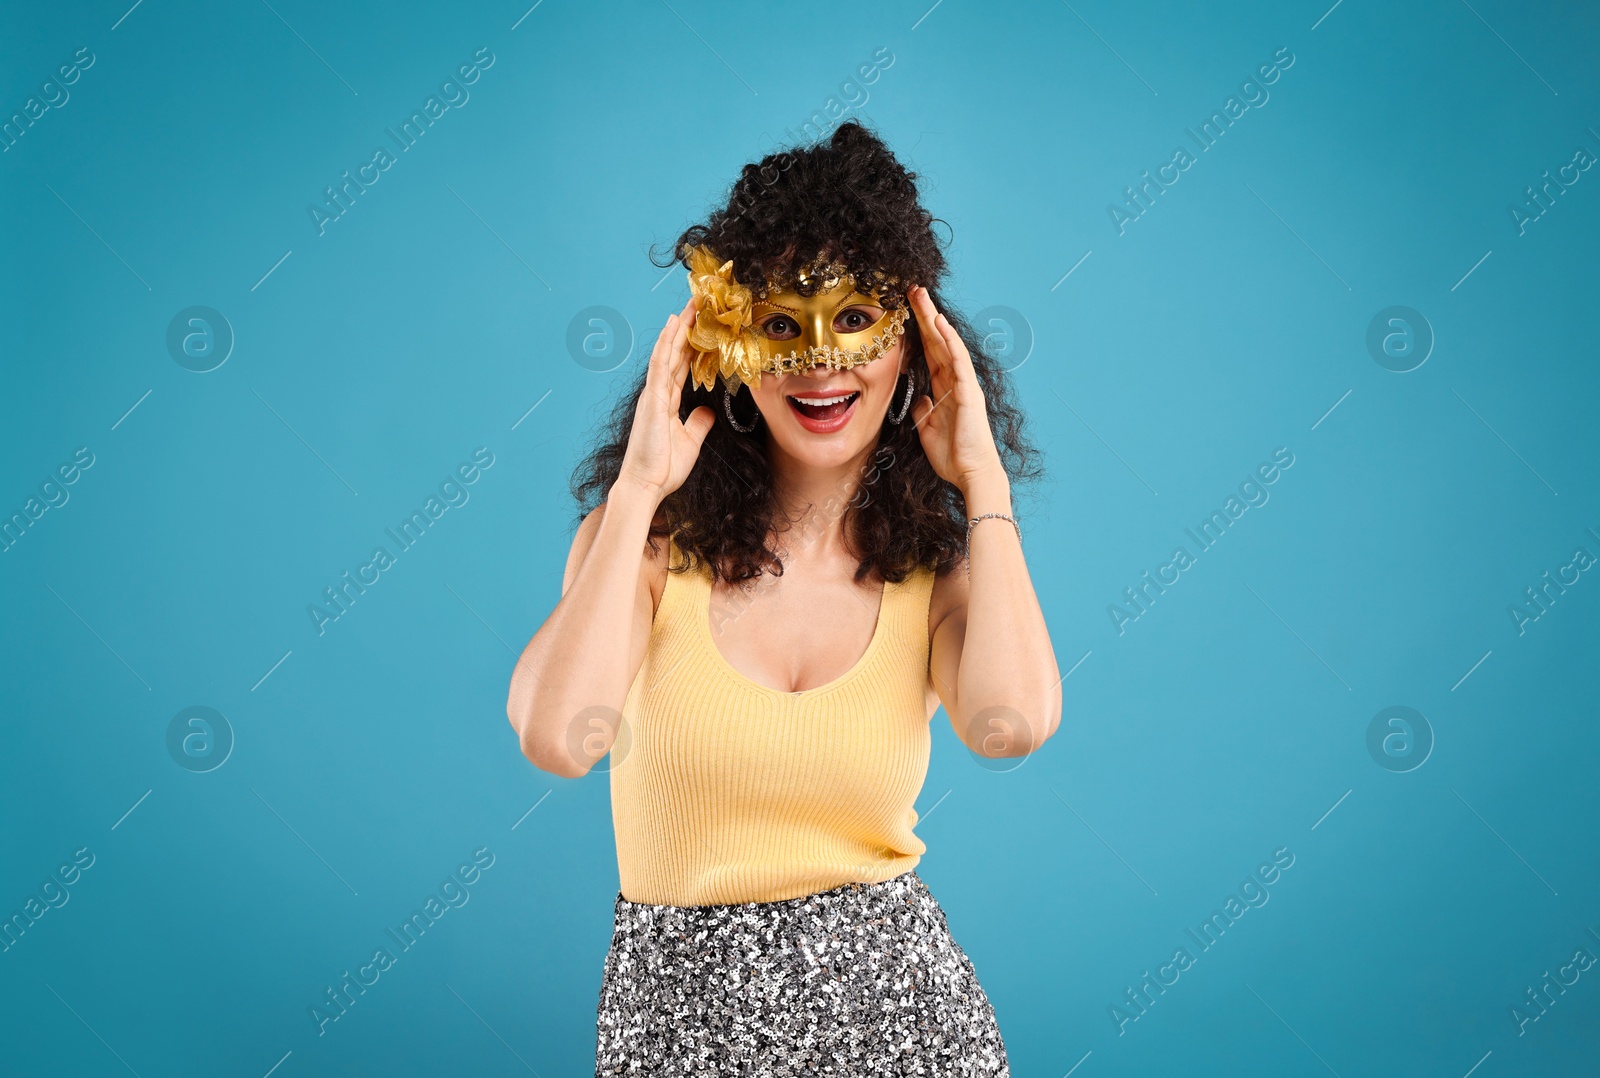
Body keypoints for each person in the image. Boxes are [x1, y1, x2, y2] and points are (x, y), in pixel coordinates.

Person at [505, 120, 1060, 1075]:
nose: (820, 359)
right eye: (779, 325)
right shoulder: (642, 549)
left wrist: (987, 489)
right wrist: (638, 488)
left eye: (855, 319)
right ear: (728, 349)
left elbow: (1009, 726)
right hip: (680, 1032)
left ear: (914, 346)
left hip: (908, 1028)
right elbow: (560, 739)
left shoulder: (938, 567)